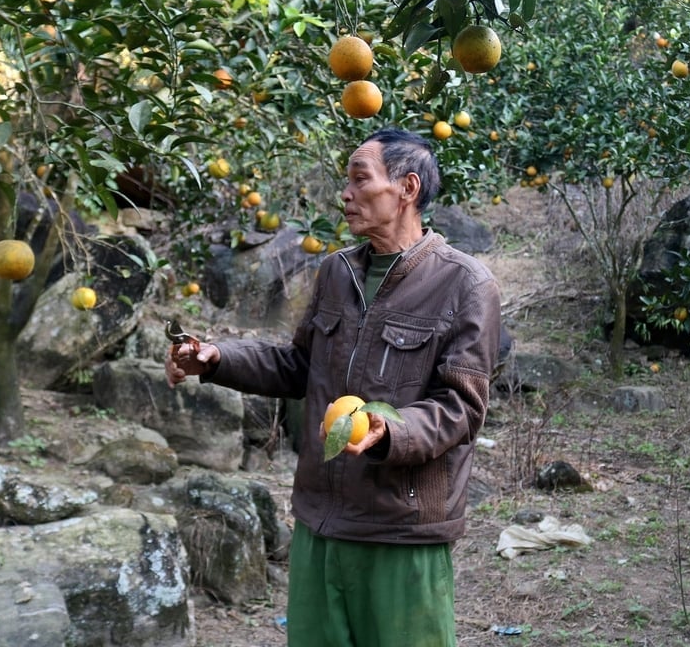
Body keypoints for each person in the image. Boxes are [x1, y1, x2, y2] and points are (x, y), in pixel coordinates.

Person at [165, 126, 502, 647]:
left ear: (407, 188)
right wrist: (217, 358)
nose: (345, 194)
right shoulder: (337, 272)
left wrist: (390, 431)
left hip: (400, 528)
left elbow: (462, 406)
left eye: (359, 179)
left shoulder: (465, 284)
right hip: (321, 520)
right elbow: (301, 365)